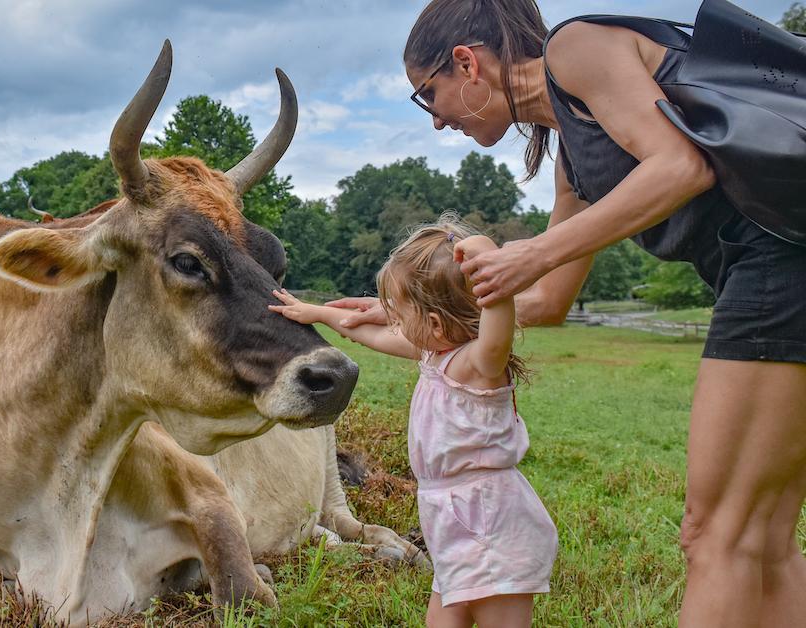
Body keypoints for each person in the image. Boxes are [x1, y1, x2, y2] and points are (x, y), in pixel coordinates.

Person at [329, 1, 806, 625]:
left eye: (429, 95)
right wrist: (412, 312)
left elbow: (680, 165)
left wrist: (535, 251)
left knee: (715, 534)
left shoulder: (576, 47)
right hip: (774, 264)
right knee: (760, 537)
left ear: (466, 63)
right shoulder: (573, 161)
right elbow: (548, 302)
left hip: (780, 258)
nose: (437, 122)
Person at [270, 216, 557, 628]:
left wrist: (490, 261)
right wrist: (315, 313)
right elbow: (366, 334)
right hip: (451, 525)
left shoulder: (478, 365)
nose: (391, 321)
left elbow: (497, 335)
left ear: (435, 323)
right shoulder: (435, 355)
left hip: (490, 527)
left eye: (400, 314)